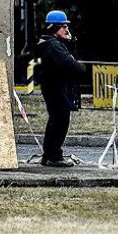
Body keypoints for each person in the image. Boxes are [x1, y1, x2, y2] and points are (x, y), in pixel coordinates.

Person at [34, 10, 86, 167]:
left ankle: (48, 155)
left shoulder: (47, 43)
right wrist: (81, 66)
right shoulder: (54, 45)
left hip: (52, 86)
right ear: (53, 28)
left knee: (56, 119)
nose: (66, 30)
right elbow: (73, 66)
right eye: (63, 26)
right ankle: (54, 156)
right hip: (56, 87)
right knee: (60, 120)